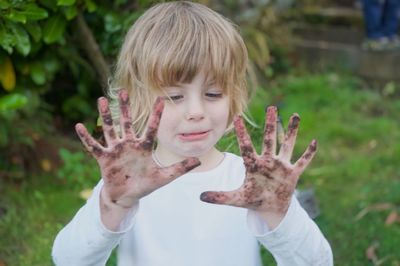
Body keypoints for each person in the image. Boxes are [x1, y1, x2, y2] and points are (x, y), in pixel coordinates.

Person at [52, 1, 333, 265]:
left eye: (212, 93)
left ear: (233, 98)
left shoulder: (251, 180)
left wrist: (278, 213)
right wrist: (114, 205)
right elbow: (66, 260)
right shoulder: (129, 183)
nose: (196, 111)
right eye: (174, 96)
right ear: (135, 101)